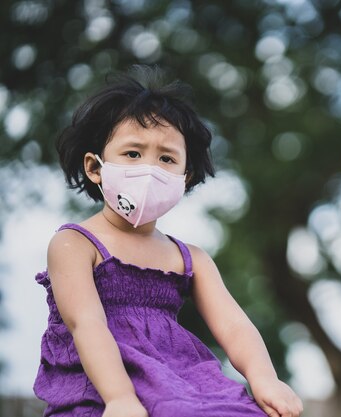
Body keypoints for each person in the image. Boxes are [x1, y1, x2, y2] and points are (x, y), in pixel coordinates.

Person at [33, 66, 304, 417]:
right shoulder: (74, 244)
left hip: (182, 382)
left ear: (185, 176)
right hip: (102, 384)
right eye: (133, 153)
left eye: (166, 159)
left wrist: (265, 379)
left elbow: (234, 325)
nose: (150, 169)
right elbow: (86, 324)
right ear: (95, 167)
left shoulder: (189, 258)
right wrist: (120, 398)